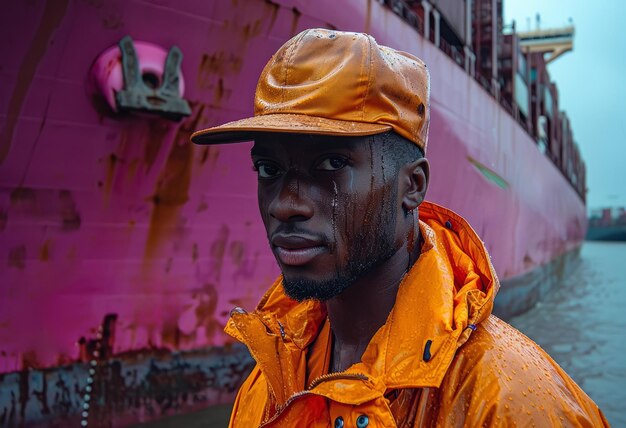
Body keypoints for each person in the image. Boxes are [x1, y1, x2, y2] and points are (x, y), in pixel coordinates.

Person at [191, 28, 607, 427]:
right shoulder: (269, 379)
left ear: (412, 186)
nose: (285, 204)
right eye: (268, 168)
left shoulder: (515, 405)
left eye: (332, 164)